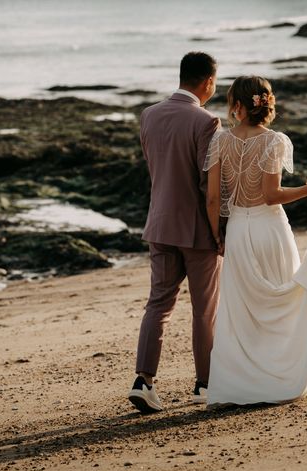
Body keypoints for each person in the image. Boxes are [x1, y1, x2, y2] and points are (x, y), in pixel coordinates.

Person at [204, 76, 307, 406]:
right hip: (270, 231)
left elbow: (214, 198)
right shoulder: (275, 141)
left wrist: (217, 233)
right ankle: (281, 376)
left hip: (240, 233)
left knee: (243, 312)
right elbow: (271, 195)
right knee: (283, 302)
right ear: (265, 104)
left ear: (237, 106)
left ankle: (238, 385)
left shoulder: (219, 142)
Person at [128, 52, 222, 413]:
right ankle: (204, 384)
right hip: (197, 230)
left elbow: (155, 166)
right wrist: (219, 231)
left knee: (158, 304)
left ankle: (144, 380)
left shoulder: (148, 115)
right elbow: (206, 185)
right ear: (208, 83)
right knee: (204, 310)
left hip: (159, 224)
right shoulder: (208, 122)